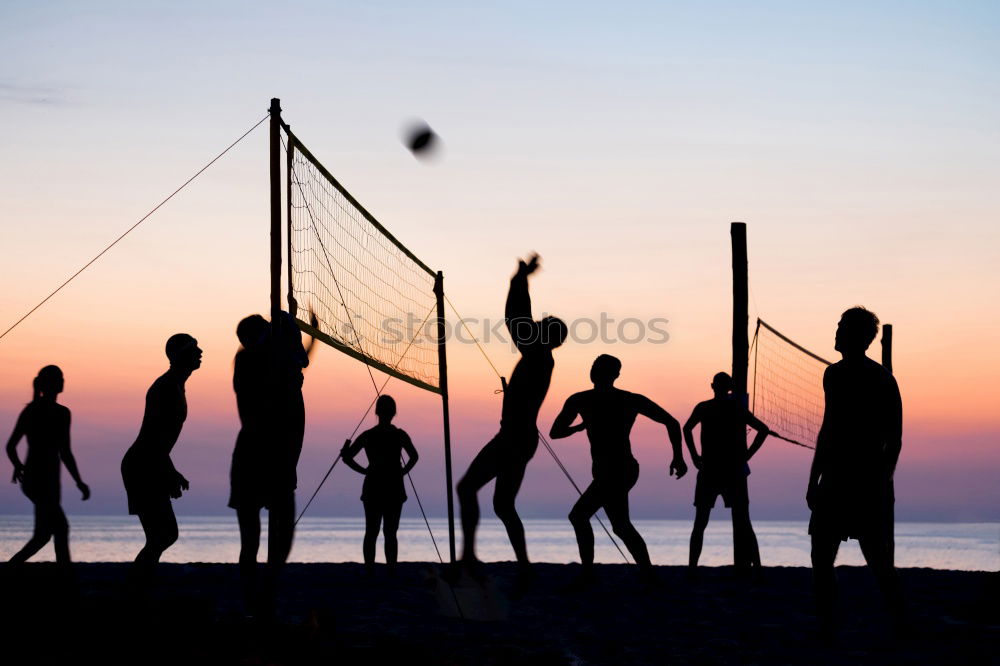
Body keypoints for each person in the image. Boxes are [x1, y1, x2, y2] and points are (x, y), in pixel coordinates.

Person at [456, 253, 567, 578]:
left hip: (515, 438)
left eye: (541, 326)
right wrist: (520, 281)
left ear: (546, 336)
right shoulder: (541, 357)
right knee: (503, 506)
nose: (535, 326)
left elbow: (515, 317)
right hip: (521, 437)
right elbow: (519, 318)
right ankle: (523, 566)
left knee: (467, 490)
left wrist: (520, 280)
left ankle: (469, 558)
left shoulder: (538, 354)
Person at [807, 307, 903, 639]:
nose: (835, 332)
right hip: (834, 479)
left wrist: (881, 480)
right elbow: (828, 428)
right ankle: (827, 625)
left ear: (856, 335)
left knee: (878, 562)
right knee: (820, 556)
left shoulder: (882, 379)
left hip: (866, 483)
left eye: (841, 327)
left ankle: (900, 621)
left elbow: (894, 437)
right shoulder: (832, 374)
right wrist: (813, 479)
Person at [549, 354, 687, 583]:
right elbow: (555, 433)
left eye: (600, 368)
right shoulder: (580, 399)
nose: (595, 371)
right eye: (594, 366)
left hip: (622, 468)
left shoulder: (626, 399)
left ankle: (588, 575)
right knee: (620, 526)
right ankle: (647, 575)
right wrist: (578, 428)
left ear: (614, 375)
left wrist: (678, 458)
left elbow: (672, 422)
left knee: (579, 515)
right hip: (607, 470)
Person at [121, 333, 202, 596]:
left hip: (150, 461)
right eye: (194, 348)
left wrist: (171, 471)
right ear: (180, 356)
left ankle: (139, 588)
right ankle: (135, 590)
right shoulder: (165, 388)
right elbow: (154, 437)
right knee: (163, 535)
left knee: (163, 535)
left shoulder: (176, 385)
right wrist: (167, 472)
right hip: (142, 464)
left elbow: (159, 440)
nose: (200, 351)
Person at [683, 372, 769, 576]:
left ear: (712, 386)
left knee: (701, 523)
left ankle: (692, 571)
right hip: (728, 471)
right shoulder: (735, 408)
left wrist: (695, 456)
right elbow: (763, 430)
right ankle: (757, 570)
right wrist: (747, 456)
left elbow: (686, 429)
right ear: (728, 387)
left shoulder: (706, 407)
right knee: (742, 522)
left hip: (715, 471)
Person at [6, 366, 90, 564]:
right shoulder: (40, 411)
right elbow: (11, 446)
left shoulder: (53, 412)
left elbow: (65, 453)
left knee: (42, 536)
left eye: (62, 377)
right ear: (48, 384)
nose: (62, 381)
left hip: (50, 480)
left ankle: (10, 569)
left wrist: (79, 482)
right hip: (37, 480)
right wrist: (18, 466)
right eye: (57, 378)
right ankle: (65, 577)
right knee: (61, 528)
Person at [341, 395, 419, 576]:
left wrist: (365, 471)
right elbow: (414, 456)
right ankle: (390, 570)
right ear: (394, 413)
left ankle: (371, 570)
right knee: (390, 532)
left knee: (372, 531)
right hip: (392, 487)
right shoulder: (399, 434)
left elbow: (346, 457)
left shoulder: (369, 435)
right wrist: (403, 471)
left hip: (374, 486)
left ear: (377, 412)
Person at [228, 314, 272, 612]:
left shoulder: (258, 358)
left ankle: (257, 592)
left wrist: (311, 338)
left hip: (265, 451)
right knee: (251, 535)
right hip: (252, 452)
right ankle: (250, 593)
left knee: (257, 534)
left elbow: (293, 361)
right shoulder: (248, 359)